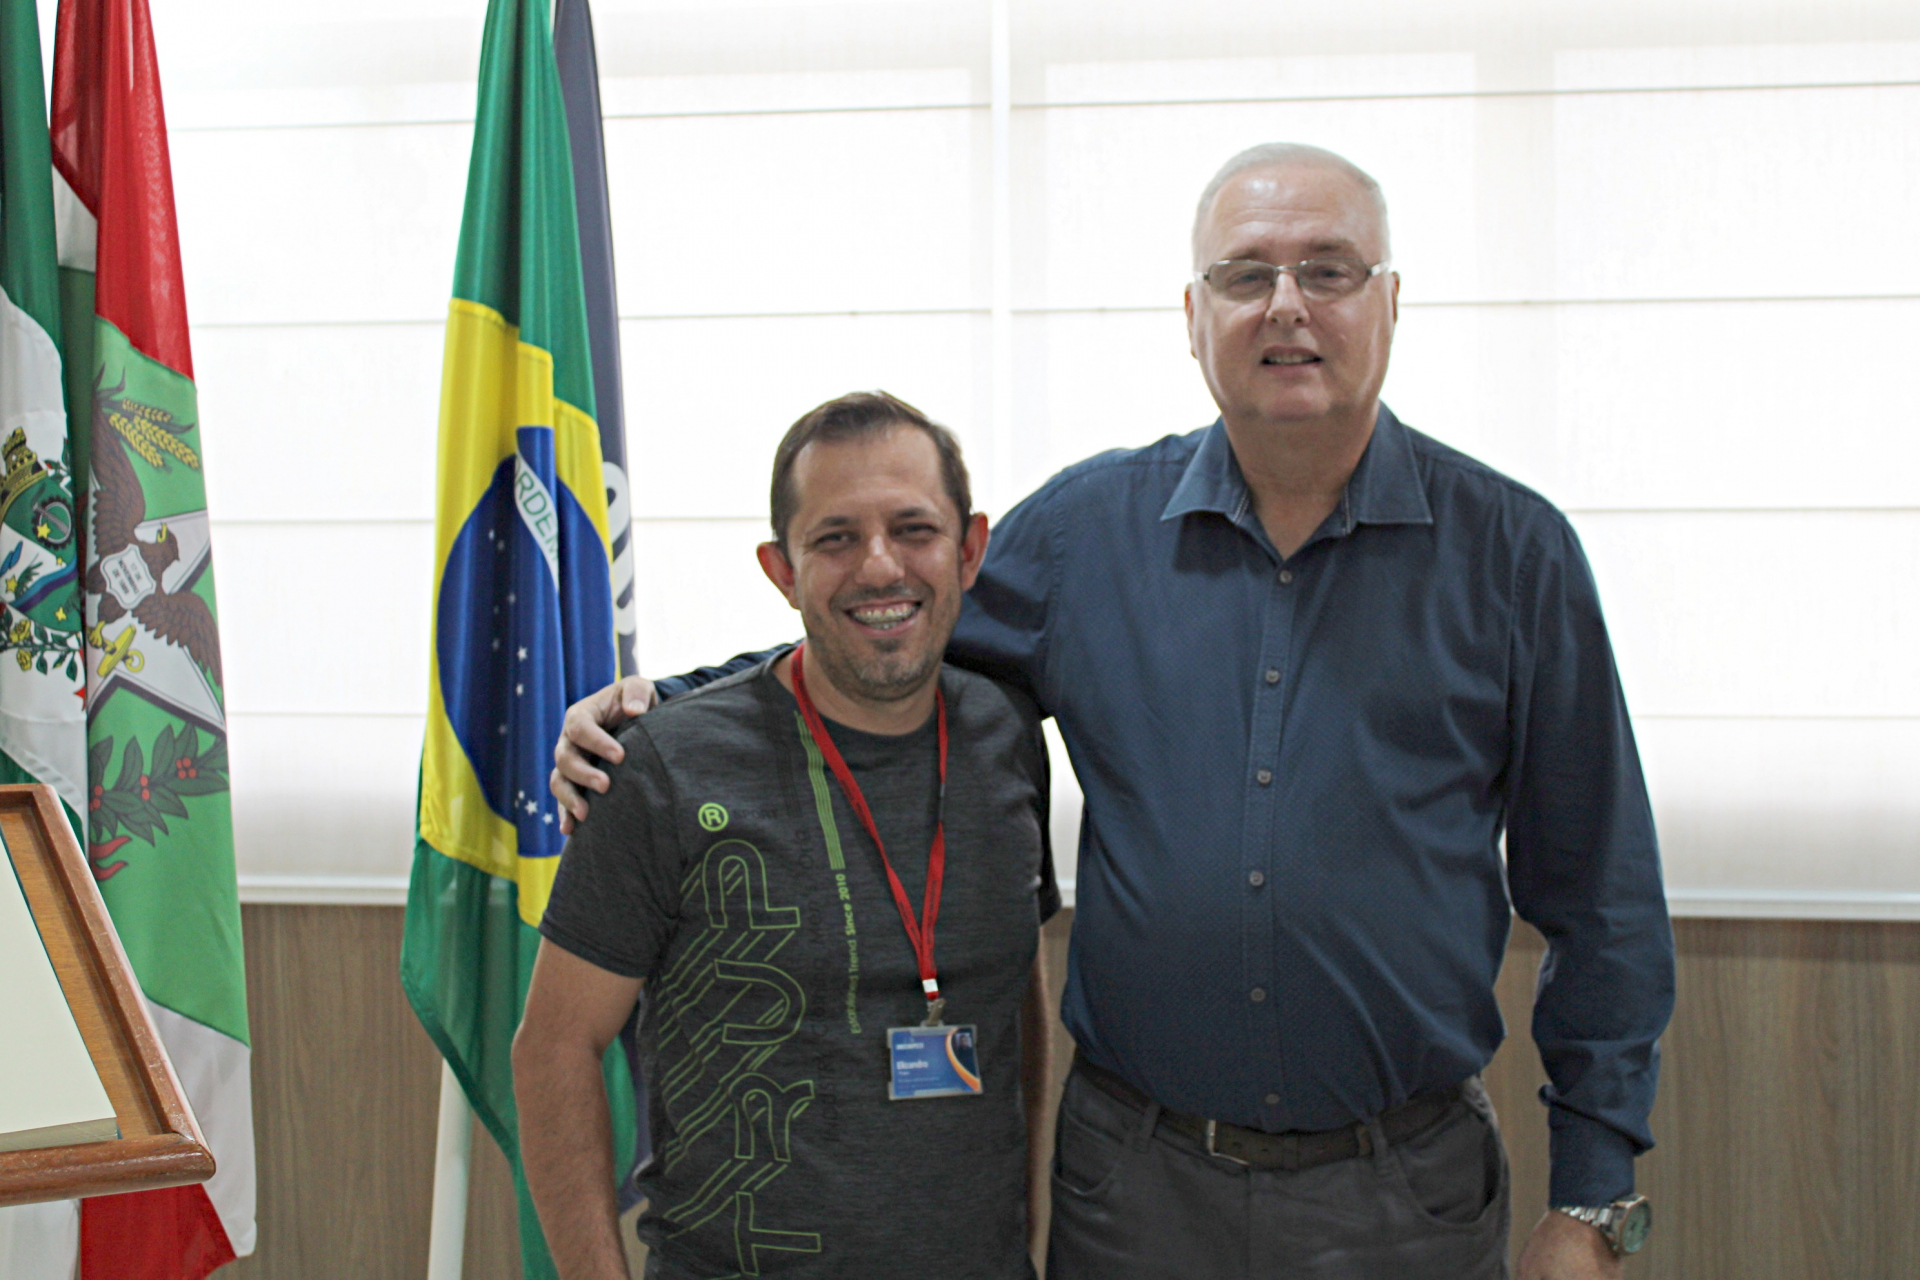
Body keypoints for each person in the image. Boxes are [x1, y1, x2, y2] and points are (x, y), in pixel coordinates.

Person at [551, 144, 1674, 1280]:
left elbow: (1604, 899)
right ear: (1193, 318)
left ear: (1390, 303)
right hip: (1136, 1191)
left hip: (1403, 1197)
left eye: (1329, 270)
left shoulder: (1515, 554)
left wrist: (1591, 1195)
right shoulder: (1089, 532)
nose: (1286, 304)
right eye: (1246, 275)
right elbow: (892, 625)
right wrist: (669, 703)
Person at [514, 391, 1059, 1280]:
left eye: (914, 529)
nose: (880, 566)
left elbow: (1014, 995)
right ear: (782, 570)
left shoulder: (1008, 736)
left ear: (969, 549)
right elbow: (554, 1049)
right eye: (836, 538)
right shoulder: (662, 768)